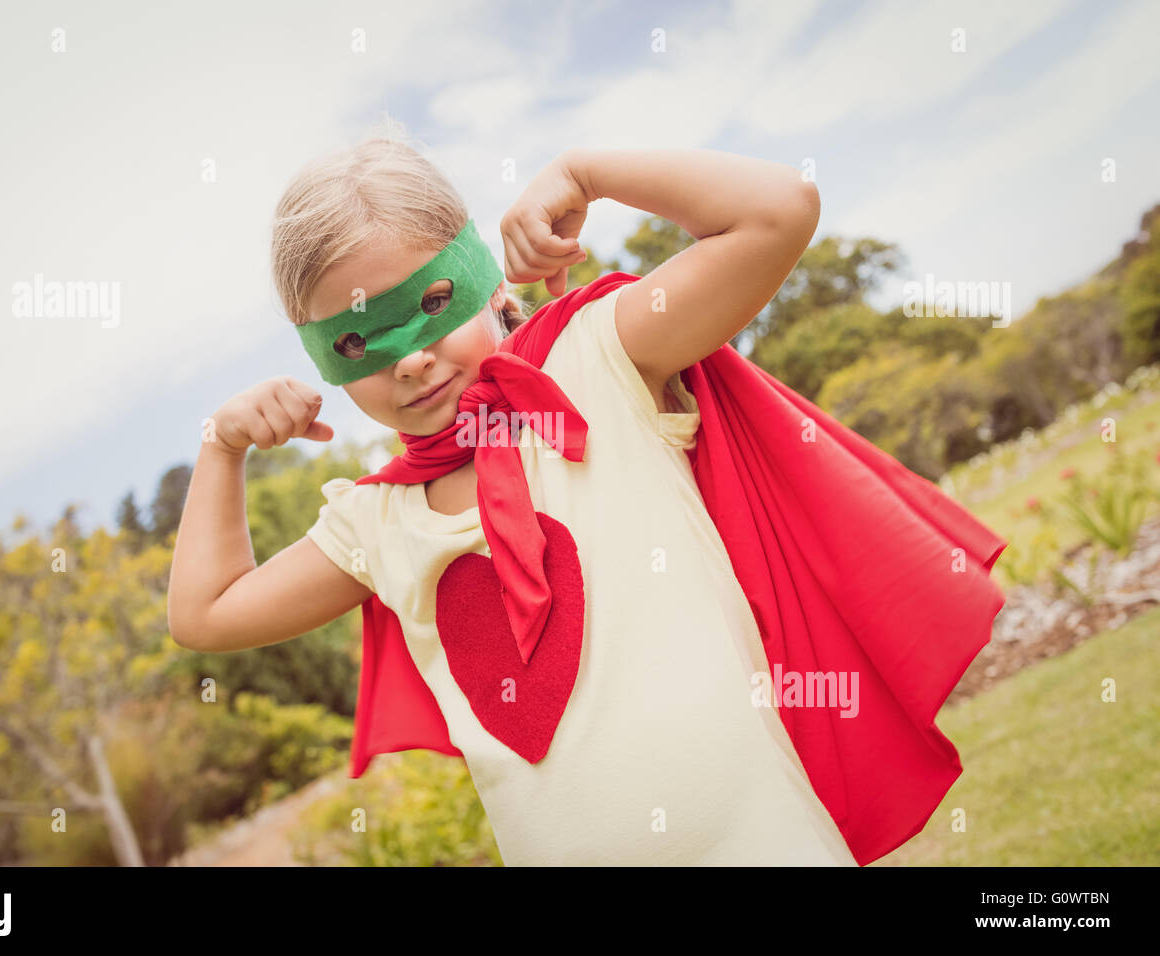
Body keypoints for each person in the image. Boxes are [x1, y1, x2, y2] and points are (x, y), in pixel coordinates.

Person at [168, 127, 1004, 866]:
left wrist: (585, 171)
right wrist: (223, 445)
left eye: (429, 305)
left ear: (486, 278)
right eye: (358, 339)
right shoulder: (375, 523)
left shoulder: (597, 360)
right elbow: (206, 613)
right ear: (326, 358)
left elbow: (780, 210)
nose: (411, 359)